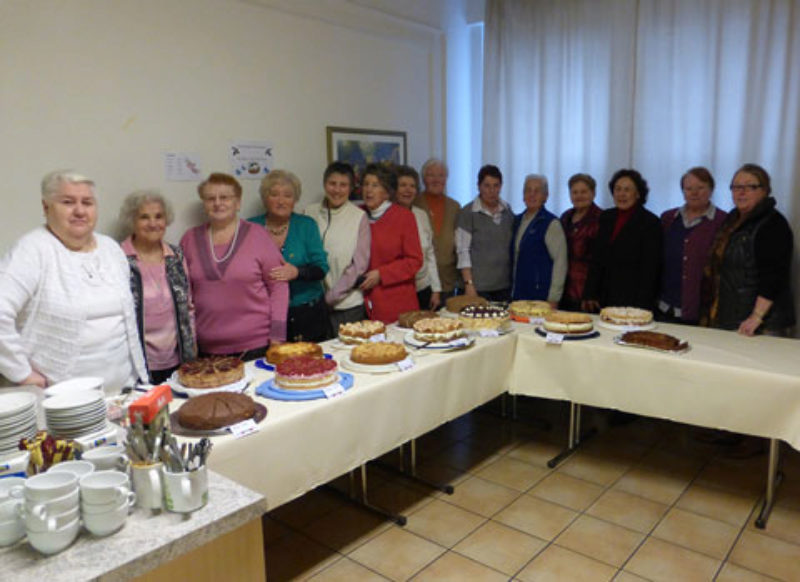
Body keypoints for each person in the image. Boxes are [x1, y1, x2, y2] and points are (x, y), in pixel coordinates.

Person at [0, 170, 147, 394]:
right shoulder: (32, 250)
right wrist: (22, 373)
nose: (79, 211)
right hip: (61, 400)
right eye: (68, 202)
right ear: (46, 207)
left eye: (87, 202)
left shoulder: (111, 249)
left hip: (121, 392)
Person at [180, 173, 288, 360]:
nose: (217, 203)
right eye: (210, 198)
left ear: (237, 203)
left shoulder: (258, 235)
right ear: (204, 204)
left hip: (256, 346)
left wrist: (277, 337)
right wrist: (189, 341)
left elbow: (278, 286)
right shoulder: (189, 239)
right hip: (207, 350)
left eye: (225, 197)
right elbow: (184, 295)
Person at [704, 163, 795, 336]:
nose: (741, 192)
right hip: (732, 317)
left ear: (764, 190)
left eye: (750, 187)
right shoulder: (732, 220)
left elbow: (774, 276)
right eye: (736, 187)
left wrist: (756, 316)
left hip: (762, 324)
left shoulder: (773, 224)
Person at [119, 190, 196, 384]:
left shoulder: (176, 255)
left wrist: (192, 348)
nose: (153, 223)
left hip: (180, 360)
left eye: (159, 216)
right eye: (144, 217)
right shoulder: (118, 258)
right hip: (137, 363)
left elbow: (188, 307)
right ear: (132, 221)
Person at [249, 170, 330, 342]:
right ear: (265, 198)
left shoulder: (306, 225)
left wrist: (296, 272)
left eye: (287, 195)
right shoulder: (251, 228)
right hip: (264, 314)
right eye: (274, 194)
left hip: (307, 312)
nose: (281, 201)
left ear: (295, 200)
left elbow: (321, 268)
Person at [583, 169, 662, 311]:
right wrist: (589, 294)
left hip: (633, 300)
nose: (621, 194)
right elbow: (597, 259)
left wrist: (641, 307)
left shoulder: (651, 223)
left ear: (638, 194)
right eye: (617, 189)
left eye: (627, 190)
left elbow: (650, 270)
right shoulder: (606, 217)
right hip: (603, 297)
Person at [304, 162, 371, 330]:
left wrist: (332, 297)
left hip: (348, 305)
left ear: (351, 188)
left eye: (343, 185)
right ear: (324, 184)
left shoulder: (359, 217)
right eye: (332, 184)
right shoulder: (309, 212)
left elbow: (359, 265)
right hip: (314, 303)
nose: (337, 190)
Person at [657, 167, 726, 325]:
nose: (694, 193)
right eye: (689, 188)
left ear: (711, 189)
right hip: (664, 307)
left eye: (700, 188)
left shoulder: (723, 221)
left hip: (701, 311)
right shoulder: (668, 218)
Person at [359, 164, 422, 323]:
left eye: (375, 185)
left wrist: (382, 274)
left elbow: (414, 261)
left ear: (387, 192)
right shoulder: (357, 214)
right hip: (360, 301)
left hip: (395, 302)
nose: (368, 190)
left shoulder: (404, 217)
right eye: (366, 184)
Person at [456, 165, 515, 302]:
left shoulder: (507, 210)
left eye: (496, 185)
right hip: (477, 288)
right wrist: (469, 285)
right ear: (479, 186)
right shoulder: (468, 213)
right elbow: (463, 251)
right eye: (487, 186)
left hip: (503, 286)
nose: (492, 191)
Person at [511, 174, 567, 305]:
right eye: (528, 190)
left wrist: (554, 298)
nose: (532, 194)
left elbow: (560, 262)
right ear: (523, 195)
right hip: (518, 293)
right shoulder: (517, 221)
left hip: (540, 296)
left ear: (546, 196)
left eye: (537, 191)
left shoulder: (551, 223)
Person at [413, 158, 462, 298]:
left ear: (446, 179)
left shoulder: (455, 207)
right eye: (431, 175)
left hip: (448, 280)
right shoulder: (414, 204)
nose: (436, 180)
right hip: (422, 281)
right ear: (423, 179)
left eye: (441, 175)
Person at [395, 165, 442, 310]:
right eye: (403, 185)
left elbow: (430, 254)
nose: (408, 190)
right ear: (394, 189)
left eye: (412, 186)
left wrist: (436, 289)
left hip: (423, 287)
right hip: (398, 290)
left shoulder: (421, 215)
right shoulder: (387, 216)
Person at [559, 173, 602, 311]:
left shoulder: (602, 219)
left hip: (589, 294)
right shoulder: (565, 217)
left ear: (593, 193)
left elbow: (602, 262)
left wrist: (592, 293)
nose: (579, 196)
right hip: (565, 289)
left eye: (584, 192)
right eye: (575, 192)